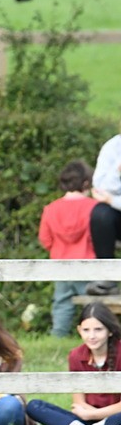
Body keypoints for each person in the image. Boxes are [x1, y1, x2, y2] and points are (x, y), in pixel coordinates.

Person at [25, 302, 121, 425]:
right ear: (79, 330)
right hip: (86, 416)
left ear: (110, 331)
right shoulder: (76, 355)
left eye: (98, 329)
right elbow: (78, 402)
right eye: (86, 330)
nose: (91, 336)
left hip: (114, 415)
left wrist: (93, 415)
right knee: (34, 406)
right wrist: (88, 415)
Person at [40, 159, 96, 334]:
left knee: (61, 304)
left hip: (60, 264)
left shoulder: (51, 209)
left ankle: (58, 336)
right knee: (93, 305)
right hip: (88, 263)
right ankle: (95, 336)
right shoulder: (94, 207)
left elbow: (45, 239)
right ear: (86, 182)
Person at [86, 122, 121, 295]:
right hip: (117, 217)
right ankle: (107, 276)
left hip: (116, 204)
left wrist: (112, 200)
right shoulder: (113, 148)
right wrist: (118, 170)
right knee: (100, 213)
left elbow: (107, 196)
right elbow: (100, 189)